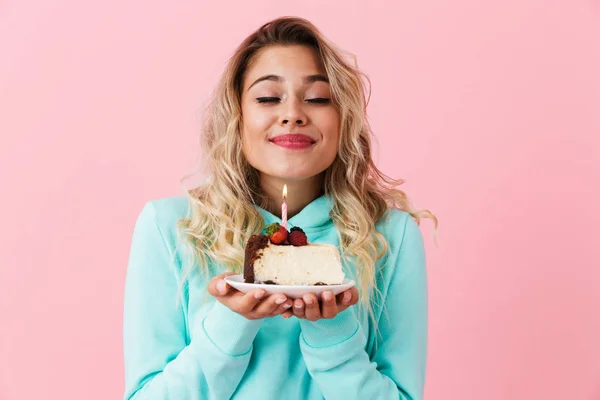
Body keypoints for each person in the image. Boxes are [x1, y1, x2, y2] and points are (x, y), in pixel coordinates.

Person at [123, 16, 437, 400]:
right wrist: (232, 322)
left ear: (344, 119)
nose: (293, 114)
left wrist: (333, 333)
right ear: (237, 118)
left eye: (318, 98)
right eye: (268, 98)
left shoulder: (391, 235)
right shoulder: (170, 227)